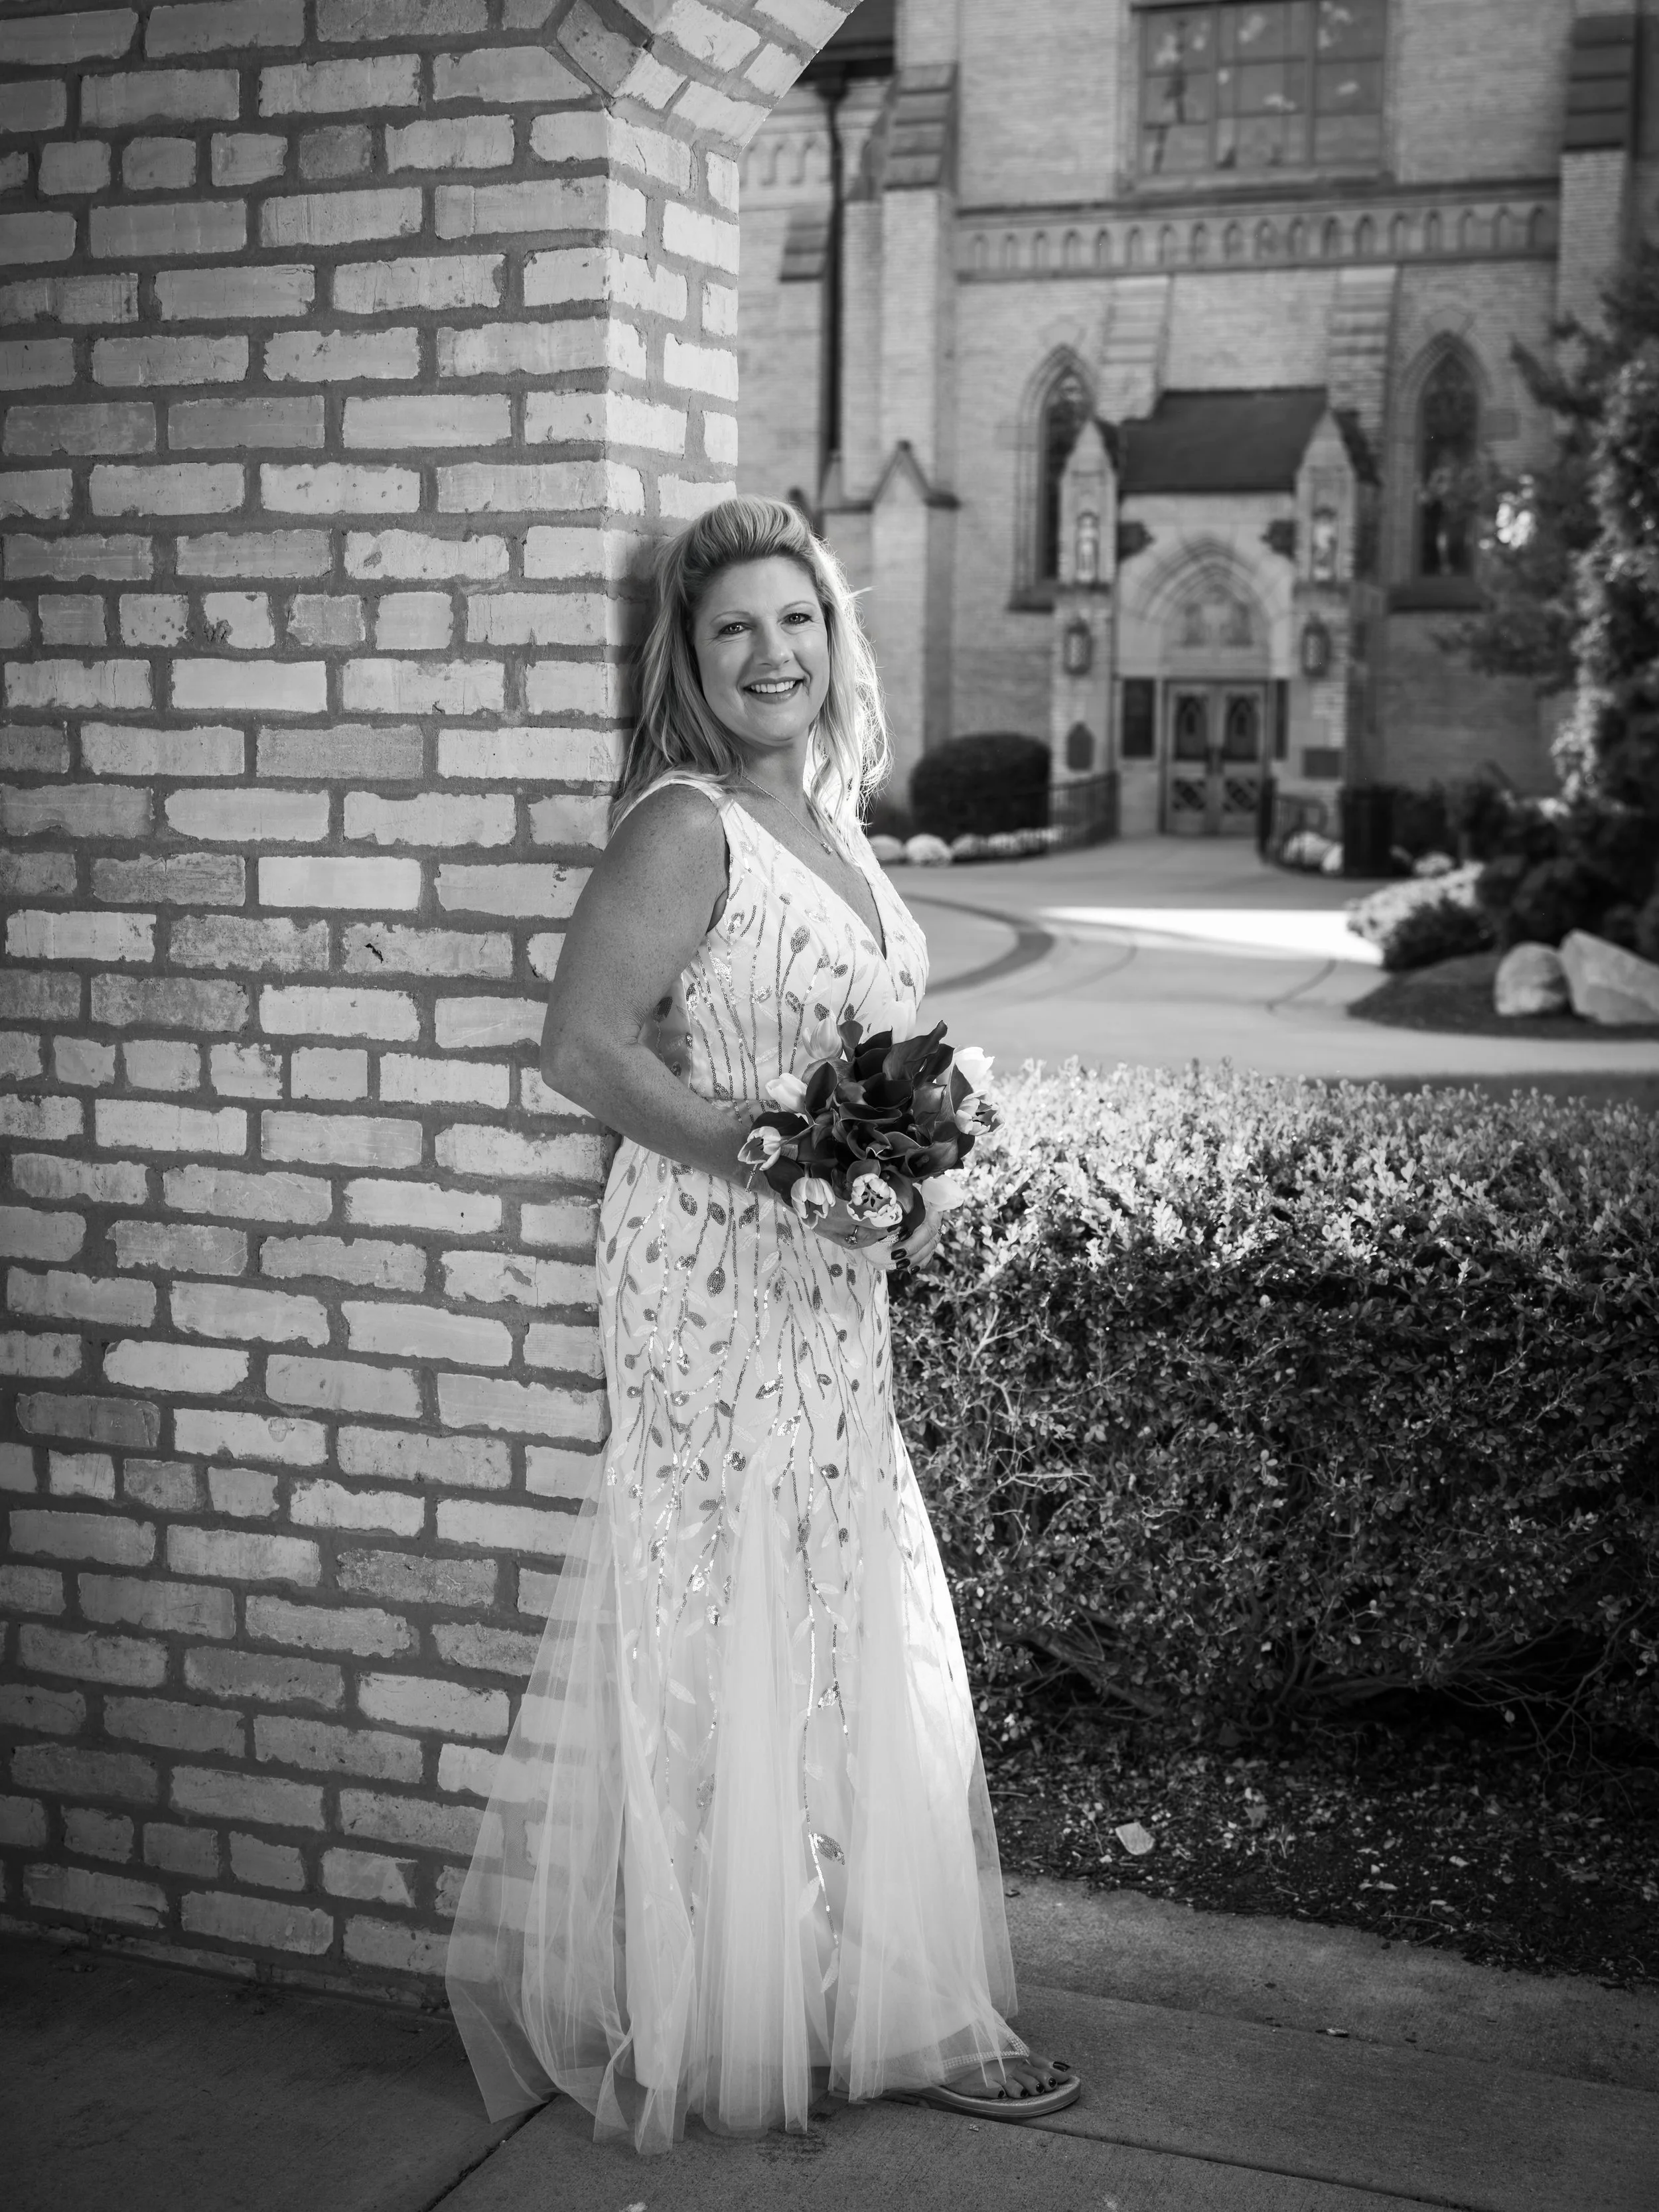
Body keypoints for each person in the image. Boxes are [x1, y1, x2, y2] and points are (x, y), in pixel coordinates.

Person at [445, 495, 1080, 2153]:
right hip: (703, 1268)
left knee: (835, 1597)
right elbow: (583, 1045)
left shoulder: (834, 821)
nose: (769, 650)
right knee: (731, 1601)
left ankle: (857, 1984)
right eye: (731, 626)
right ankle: (754, 2003)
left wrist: (904, 1182)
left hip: (826, 1287)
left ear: (832, 636)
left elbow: (877, 1064)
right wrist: (774, 1159)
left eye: (794, 618)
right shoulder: (685, 823)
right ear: (691, 656)